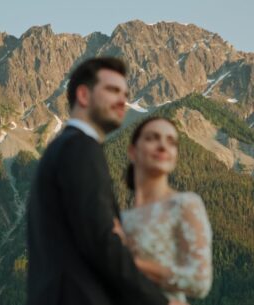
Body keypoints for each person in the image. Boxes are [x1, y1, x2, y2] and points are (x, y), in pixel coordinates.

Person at [27, 58, 183, 305]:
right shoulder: (81, 149)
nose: (122, 100)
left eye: (125, 93)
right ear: (83, 95)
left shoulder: (60, 148)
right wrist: (159, 301)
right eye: (112, 90)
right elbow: (100, 243)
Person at [113, 117, 213, 303]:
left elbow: (200, 281)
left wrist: (133, 264)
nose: (162, 146)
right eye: (152, 138)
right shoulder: (123, 219)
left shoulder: (185, 204)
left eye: (171, 142)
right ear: (132, 151)